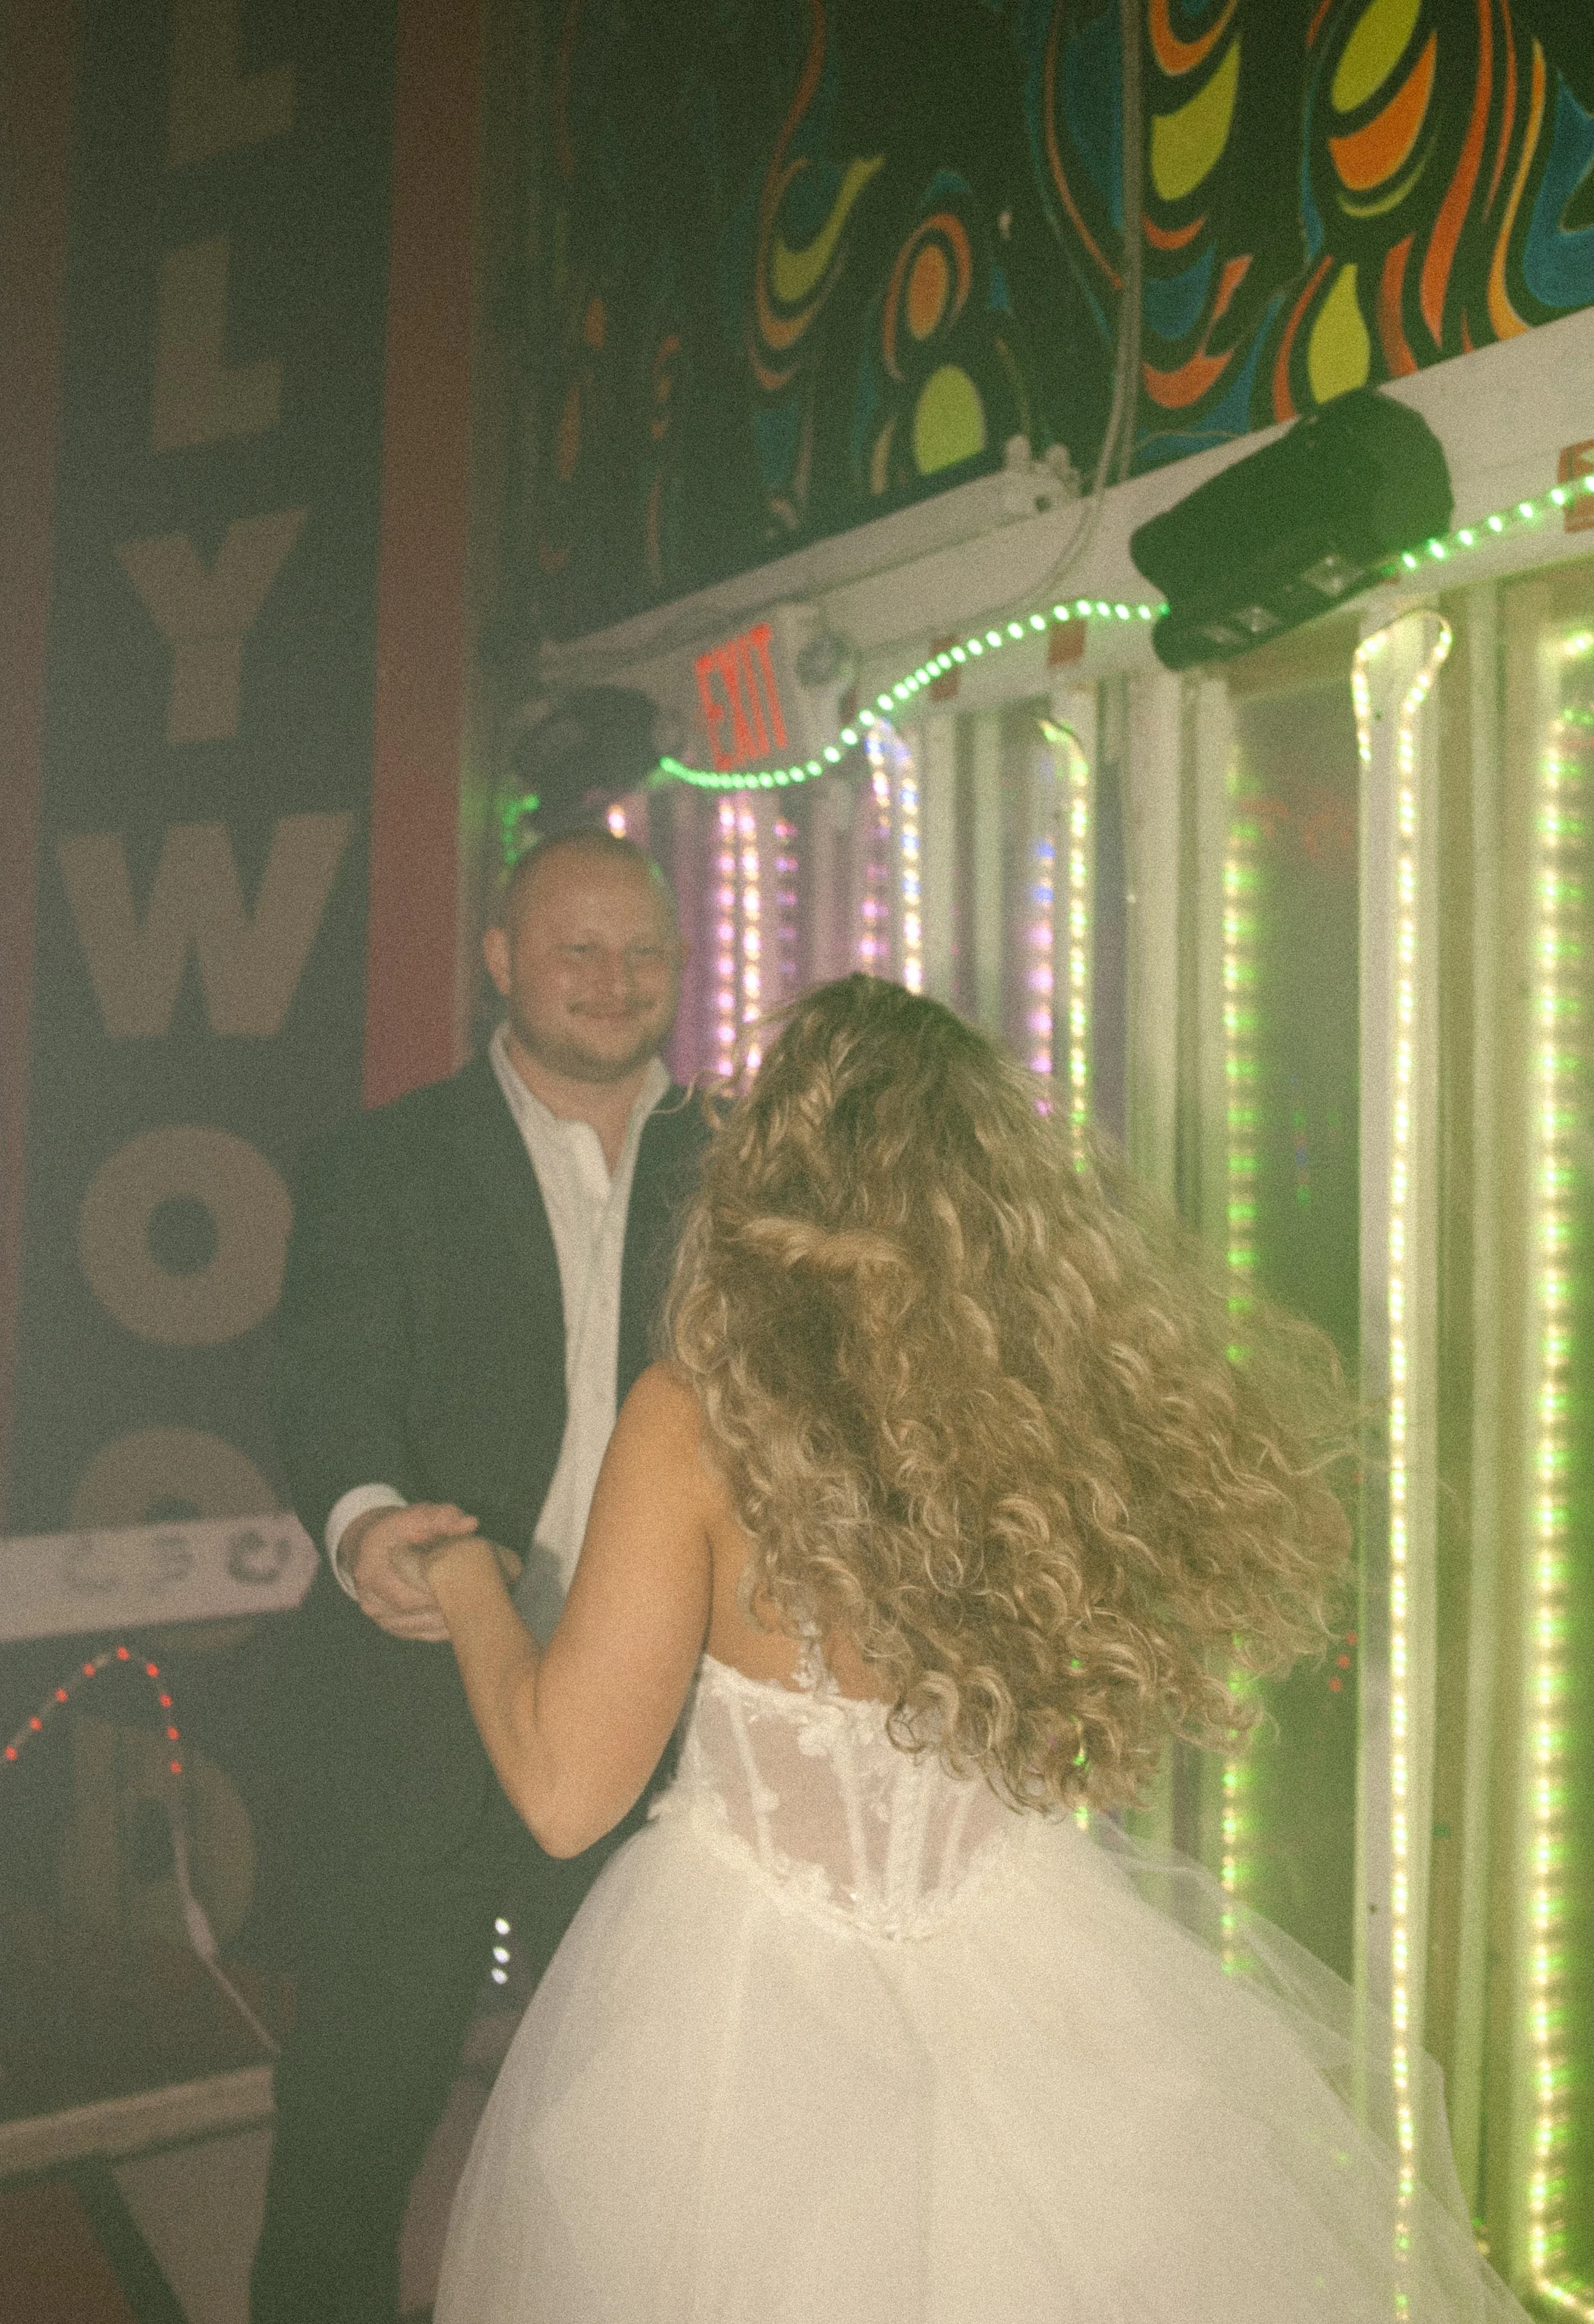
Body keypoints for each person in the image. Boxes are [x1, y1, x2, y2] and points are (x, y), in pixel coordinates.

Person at [416, 973, 1530, 2324]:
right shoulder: (1053, 1411)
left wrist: (474, 1587)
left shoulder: (698, 1423)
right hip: (1034, 1980)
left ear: (766, 1184)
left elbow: (561, 1788)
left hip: (741, 2004)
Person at [248, 827, 710, 2324]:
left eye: (640, 950)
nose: (611, 979)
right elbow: (328, 1383)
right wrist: (371, 1519)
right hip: (415, 1703)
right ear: (500, 961)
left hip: (655, 1726)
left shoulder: (745, 1168)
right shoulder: (384, 1159)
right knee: (355, 2130)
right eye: (575, 947)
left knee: (628, 2140)